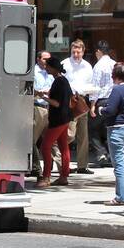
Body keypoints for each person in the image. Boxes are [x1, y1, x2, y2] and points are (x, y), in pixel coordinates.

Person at [100, 62, 124, 206]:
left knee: (119, 164)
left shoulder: (117, 90)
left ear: (115, 76)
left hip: (117, 128)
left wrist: (100, 110)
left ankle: (121, 197)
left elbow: (110, 110)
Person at [37, 57, 73, 189]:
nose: (45, 68)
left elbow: (56, 103)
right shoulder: (63, 80)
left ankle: (46, 176)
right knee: (64, 147)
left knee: (45, 146)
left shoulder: (58, 82)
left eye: (47, 66)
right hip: (65, 118)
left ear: (53, 68)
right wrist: (47, 93)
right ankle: (64, 176)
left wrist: (43, 97)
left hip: (58, 119)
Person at [61, 38, 94, 174]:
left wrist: (92, 102)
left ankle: (82, 165)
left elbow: (90, 83)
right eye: (73, 52)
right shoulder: (65, 64)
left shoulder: (87, 66)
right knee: (69, 134)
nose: (76, 55)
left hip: (82, 99)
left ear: (83, 51)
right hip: (69, 100)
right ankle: (63, 164)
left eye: (78, 52)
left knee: (83, 134)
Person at [89, 40, 115, 168]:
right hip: (114, 100)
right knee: (108, 128)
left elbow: (95, 87)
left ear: (98, 51)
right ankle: (111, 154)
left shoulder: (98, 66)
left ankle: (101, 153)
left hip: (102, 100)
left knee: (92, 128)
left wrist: (92, 105)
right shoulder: (114, 64)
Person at [31, 49, 53, 176]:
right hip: (37, 107)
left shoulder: (50, 72)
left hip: (49, 107)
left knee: (51, 140)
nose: (47, 61)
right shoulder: (33, 72)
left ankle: (55, 168)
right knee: (33, 139)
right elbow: (31, 90)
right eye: (45, 59)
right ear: (38, 59)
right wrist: (40, 92)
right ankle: (36, 168)